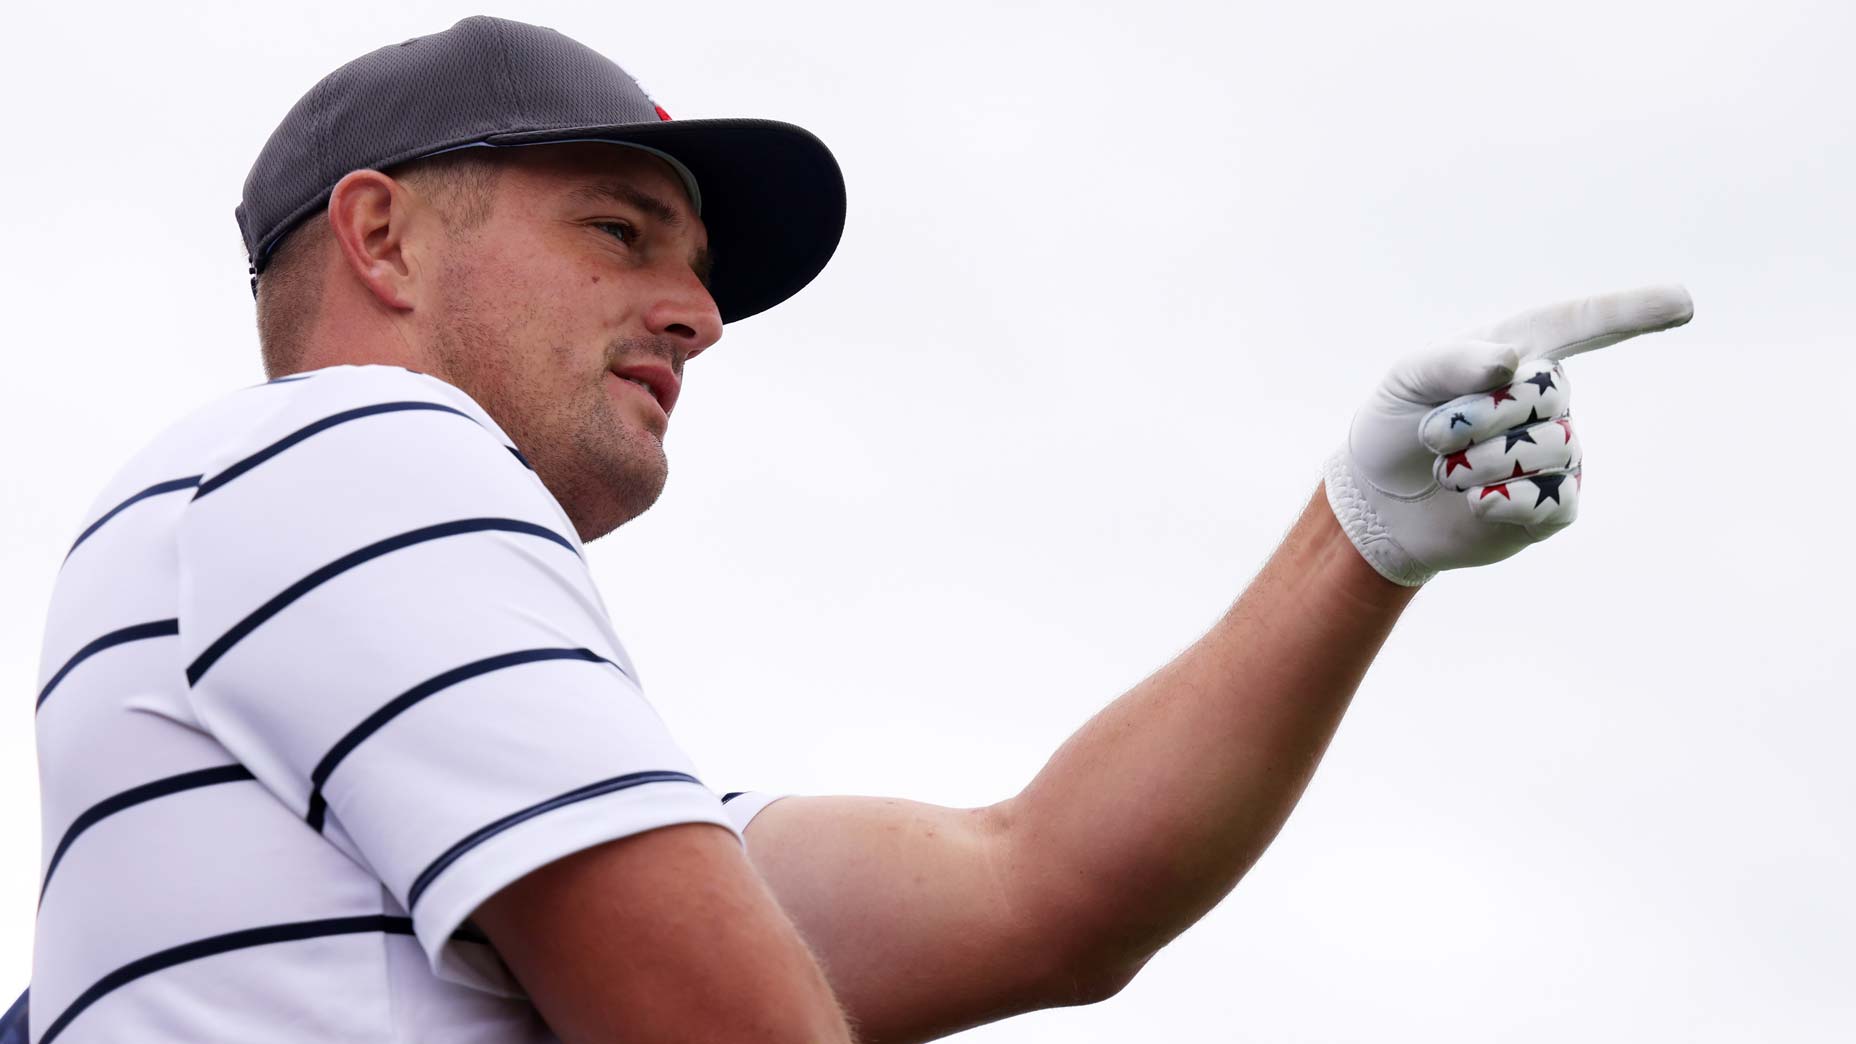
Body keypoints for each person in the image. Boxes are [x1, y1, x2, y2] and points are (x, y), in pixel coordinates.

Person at [15, 14, 1693, 1044]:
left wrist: (1359, 537)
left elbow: (1039, 892)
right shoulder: (353, 451)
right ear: (381, 239)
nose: (700, 315)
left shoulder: (315, 609)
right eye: (623, 232)